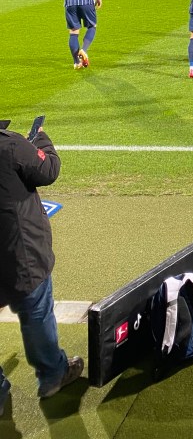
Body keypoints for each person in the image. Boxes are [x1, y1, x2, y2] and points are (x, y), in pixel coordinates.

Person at [0, 123, 84, 404]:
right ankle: (52, 375)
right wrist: (40, 140)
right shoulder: (10, 145)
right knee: (36, 311)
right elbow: (48, 170)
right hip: (20, 254)